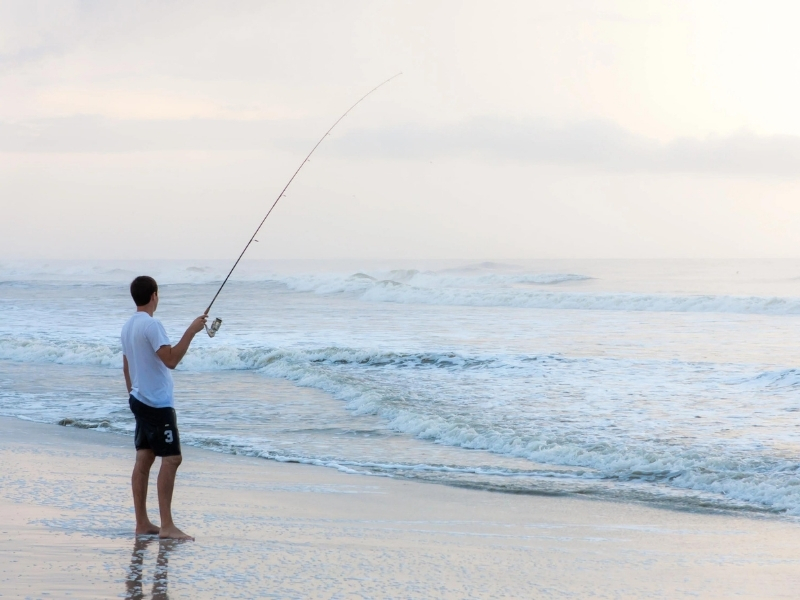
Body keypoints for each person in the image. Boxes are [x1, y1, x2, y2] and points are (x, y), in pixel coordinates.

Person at [121, 275, 207, 540]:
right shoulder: (152, 324)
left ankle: (142, 523)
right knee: (172, 458)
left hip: (139, 399)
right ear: (154, 296)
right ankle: (167, 526)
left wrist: (133, 395)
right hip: (156, 403)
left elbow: (127, 364)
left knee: (144, 459)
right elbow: (171, 360)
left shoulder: (127, 326)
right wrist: (191, 331)